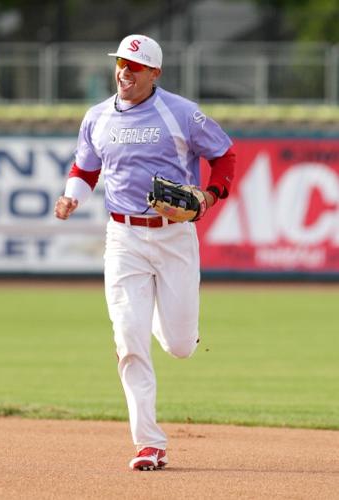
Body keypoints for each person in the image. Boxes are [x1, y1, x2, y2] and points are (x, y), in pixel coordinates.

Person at [54, 34, 236, 471]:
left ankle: (157, 320)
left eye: (134, 66)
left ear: (154, 72)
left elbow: (225, 154)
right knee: (129, 338)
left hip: (174, 236)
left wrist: (209, 197)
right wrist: (71, 195)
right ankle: (149, 444)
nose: (124, 71)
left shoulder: (181, 113)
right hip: (123, 238)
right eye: (120, 63)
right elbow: (86, 165)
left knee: (178, 345)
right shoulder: (97, 117)